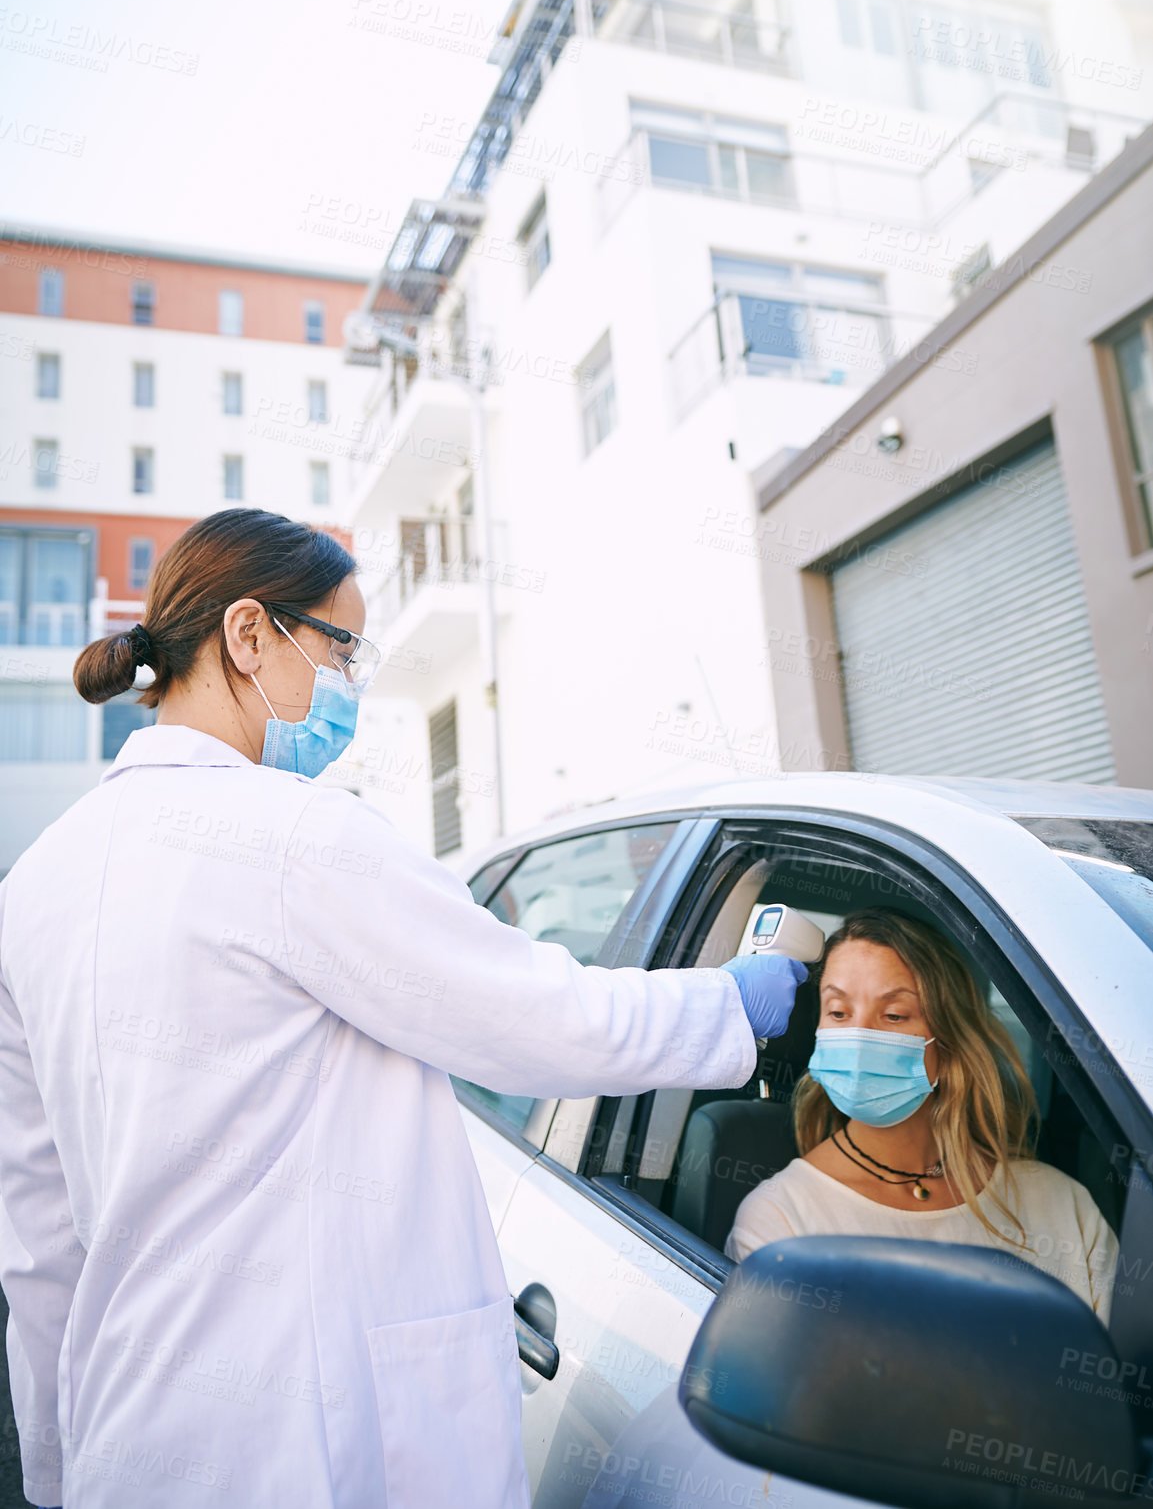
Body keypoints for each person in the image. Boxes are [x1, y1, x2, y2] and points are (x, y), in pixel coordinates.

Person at [0, 508, 803, 1509]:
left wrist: (52, 1470)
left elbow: (36, 1240)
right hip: (305, 1448)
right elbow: (534, 1017)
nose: (353, 684)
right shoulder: (296, 836)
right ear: (249, 635)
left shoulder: (34, 884)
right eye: (341, 647)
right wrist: (728, 1003)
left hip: (132, 1444)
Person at [725, 908, 1118, 1319]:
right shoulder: (780, 1219)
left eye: (894, 1015)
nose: (859, 1038)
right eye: (839, 1012)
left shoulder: (1065, 1207)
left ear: (948, 1045)